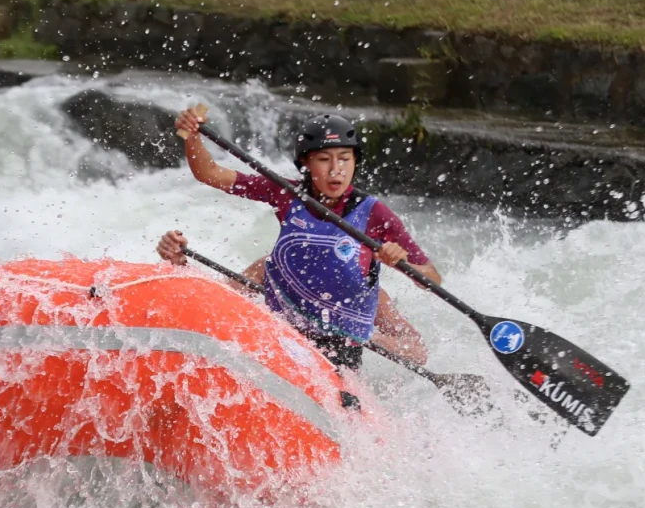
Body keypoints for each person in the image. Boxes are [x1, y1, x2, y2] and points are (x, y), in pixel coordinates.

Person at [168, 106, 442, 371]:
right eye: (324, 159)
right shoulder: (285, 192)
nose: (336, 170)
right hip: (283, 336)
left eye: (345, 158)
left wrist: (400, 262)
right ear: (306, 163)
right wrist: (192, 136)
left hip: (340, 353)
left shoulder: (374, 214)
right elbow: (210, 174)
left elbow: (430, 289)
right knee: (266, 265)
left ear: (355, 161)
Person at [156, 230, 428, 366]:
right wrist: (179, 263)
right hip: (277, 363)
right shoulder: (272, 269)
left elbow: (417, 351)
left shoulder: (369, 296)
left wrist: (368, 333)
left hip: (333, 378)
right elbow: (214, 300)